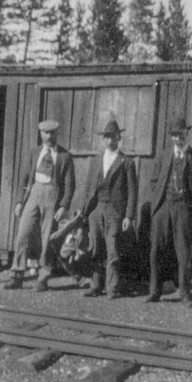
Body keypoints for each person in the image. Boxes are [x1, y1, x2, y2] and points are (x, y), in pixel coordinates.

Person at [146, 119, 192, 306]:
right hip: (163, 207)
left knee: (183, 252)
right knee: (156, 249)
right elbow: (153, 181)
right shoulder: (164, 155)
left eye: (180, 134)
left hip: (184, 209)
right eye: (174, 135)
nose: (177, 138)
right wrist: (158, 200)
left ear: (186, 134)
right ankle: (154, 291)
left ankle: (184, 293)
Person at [6, 119, 75, 291]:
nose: (49, 136)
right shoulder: (34, 152)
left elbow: (69, 185)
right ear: (41, 134)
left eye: (52, 133)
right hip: (34, 193)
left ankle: (43, 278)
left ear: (57, 134)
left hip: (53, 196)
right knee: (23, 233)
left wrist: (63, 206)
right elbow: (24, 179)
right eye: (46, 133)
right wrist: (20, 201)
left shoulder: (65, 156)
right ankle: (17, 275)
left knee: (47, 238)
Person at [79, 120, 138, 299]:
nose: (109, 140)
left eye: (112, 136)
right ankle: (96, 285)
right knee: (96, 247)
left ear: (118, 138)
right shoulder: (97, 159)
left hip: (115, 211)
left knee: (113, 250)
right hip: (96, 208)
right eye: (106, 137)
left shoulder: (126, 162)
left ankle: (112, 288)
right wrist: (84, 211)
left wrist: (129, 216)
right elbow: (89, 187)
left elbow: (132, 192)